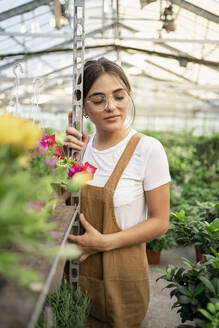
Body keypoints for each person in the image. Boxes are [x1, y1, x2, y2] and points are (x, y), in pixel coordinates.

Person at [65, 57, 171, 328]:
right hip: (77, 274)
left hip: (123, 275)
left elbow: (160, 222)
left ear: (128, 96)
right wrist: (61, 163)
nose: (111, 107)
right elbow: (60, 207)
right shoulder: (79, 149)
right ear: (83, 108)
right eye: (98, 100)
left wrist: (105, 243)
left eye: (119, 96)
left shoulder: (147, 149)